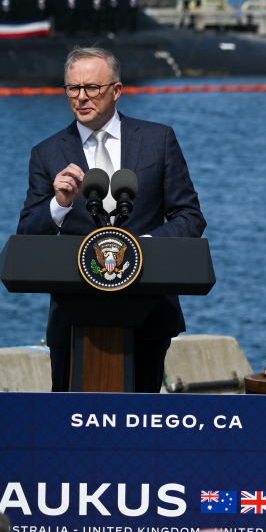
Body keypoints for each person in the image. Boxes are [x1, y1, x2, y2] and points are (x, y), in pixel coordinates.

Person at [17, 46, 206, 392]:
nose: (82, 98)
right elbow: (27, 235)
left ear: (116, 91)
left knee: (139, 424)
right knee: (72, 425)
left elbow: (189, 217)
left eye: (93, 88)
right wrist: (58, 205)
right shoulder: (46, 153)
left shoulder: (157, 140)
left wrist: (140, 251)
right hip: (74, 318)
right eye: (73, 88)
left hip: (148, 310)